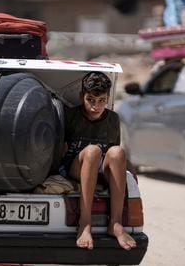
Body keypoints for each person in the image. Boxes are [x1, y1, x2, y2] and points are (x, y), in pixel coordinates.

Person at [61, 71, 137, 251]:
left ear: (108, 98)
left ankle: (116, 224)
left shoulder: (112, 119)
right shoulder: (70, 116)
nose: (96, 107)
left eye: (102, 100)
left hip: (99, 169)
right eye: (91, 100)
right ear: (82, 97)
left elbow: (113, 155)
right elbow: (59, 152)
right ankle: (85, 223)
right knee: (93, 151)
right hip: (75, 167)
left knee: (118, 152)